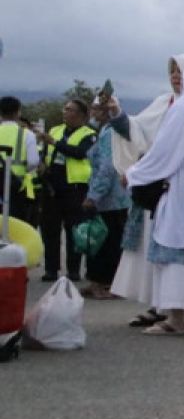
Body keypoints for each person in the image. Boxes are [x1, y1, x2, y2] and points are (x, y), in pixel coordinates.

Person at [109, 53, 184, 325]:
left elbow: (169, 148)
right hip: (157, 186)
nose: (175, 76)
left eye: (181, 71)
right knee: (158, 248)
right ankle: (160, 303)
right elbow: (136, 130)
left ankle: (180, 309)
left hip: (172, 184)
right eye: (172, 71)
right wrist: (116, 114)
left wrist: (137, 174)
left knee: (176, 248)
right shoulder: (164, 103)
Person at [125, 63, 184, 334]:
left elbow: (164, 152)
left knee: (174, 249)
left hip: (181, 188)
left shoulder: (183, 107)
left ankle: (176, 318)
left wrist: (136, 173)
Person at [34, 98, 96, 282]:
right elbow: (46, 152)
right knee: (50, 230)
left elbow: (80, 153)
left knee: (73, 230)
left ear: (81, 115)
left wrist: (54, 142)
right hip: (53, 187)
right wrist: (42, 164)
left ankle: (73, 270)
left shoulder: (89, 134)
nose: (65, 113)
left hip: (75, 188)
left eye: (70, 110)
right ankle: (51, 269)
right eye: (65, 109)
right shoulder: (56, 130)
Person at [80, 99, 130, 300]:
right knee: (99, 241)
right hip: (107, 197)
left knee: (108, 242)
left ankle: (106, 283)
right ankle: (96, 281)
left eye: (97, 109)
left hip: (112, 198)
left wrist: (94, 195)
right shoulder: (102, 132)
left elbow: (107, 168)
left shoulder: (111, 133)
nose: (93, 113)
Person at [0, 96, 39, 224]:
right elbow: (33, 162)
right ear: (18, 112)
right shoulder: (27, 134)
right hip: (17, 185)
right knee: (15, 224)